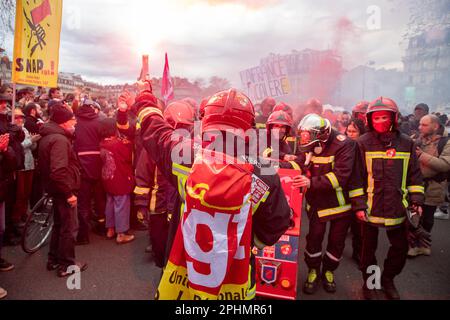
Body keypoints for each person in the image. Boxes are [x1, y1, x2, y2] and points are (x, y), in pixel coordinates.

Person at [119, 87, 291, 300]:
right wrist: (245, 240)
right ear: (249, 129)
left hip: (184, 278)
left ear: (205, 123)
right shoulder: (265, 172)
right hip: (235, 285)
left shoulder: (186, 157)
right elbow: (278, 223)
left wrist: (145, 98)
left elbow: (156, 131)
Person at [356, 97, 424, 300]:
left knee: (401, 248)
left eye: (384, 117)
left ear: (394, 118)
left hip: (398, 207)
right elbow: (356, 178)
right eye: (376, 118)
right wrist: (359, 205)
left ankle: (387, 279)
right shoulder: (362, 143)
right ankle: (370, 284)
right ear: (369, 120)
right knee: (368, 250)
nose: (380, 121)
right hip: (370, 207)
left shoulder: (407, 143)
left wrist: (416, 201)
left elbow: (414, 175)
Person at [291, 113, 366, 295]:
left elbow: (341, 176)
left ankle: (329, 271)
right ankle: (313, 271)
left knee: (336, 242)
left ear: (321, 134)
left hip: (341, 205)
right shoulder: (310, 141)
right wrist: (287, 164)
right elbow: (302, 163)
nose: (304, 140)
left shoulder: (345, 144)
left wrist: (311, 183)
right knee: (314, 239)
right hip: (317, 204)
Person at [38, 102, 87, 277]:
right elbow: (58, 171)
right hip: (63, 190)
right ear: (64, 122)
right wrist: (69, 193)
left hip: (55, 189)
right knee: (69, 228)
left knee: (59, 226)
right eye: (72, 120)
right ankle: (67, 265)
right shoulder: (59, 139)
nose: (75, 123)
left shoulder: (49, 135)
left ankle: (54, 259)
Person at [408, 115, 450, 256]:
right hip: (416, 184)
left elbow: (444, 165)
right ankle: (413, 242)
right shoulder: (418, 138)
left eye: (424, 125)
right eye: (420, 124)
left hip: (433, 186)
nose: (420, 127)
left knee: (427, 217)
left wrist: (421, 155)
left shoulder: (446, 142)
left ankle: (422, 246)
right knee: (413, 215)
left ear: (435, 126)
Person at [74, 98, 105, 244]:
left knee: (83, 201)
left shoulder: (75, 121)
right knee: (100, 198)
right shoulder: (99, 120)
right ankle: (102, 225)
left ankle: (83, 235)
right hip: (98, 163)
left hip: (81, 163)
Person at [98, 118, 135, 244]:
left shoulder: (102, 142)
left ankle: (110, 229)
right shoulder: (118, 144)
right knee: (121, 204)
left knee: (110, 202)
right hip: (120, 176)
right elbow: (128, 156)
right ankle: (121, 233)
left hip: (107, 177)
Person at [12, 109, 40, 233]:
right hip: (20, 166)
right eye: (17, 117)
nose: (20, 120)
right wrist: (31, 141)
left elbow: (31, 147)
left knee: (27, 193)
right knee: (20, 194)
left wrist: (34, 141)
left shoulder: (24, 129)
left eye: (21, 117)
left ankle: (24, 215)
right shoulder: (13, 130)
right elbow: (18, 147)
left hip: (29, 164)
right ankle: (17, 219)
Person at [344, 117, 366, 264]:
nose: (351, 134)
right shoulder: (343, 145)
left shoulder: (364, 146)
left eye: (354, 131)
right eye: (348, 131)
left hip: (359, 189)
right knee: (344, 223)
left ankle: (358, 253)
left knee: (360, 226)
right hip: (344, 190)